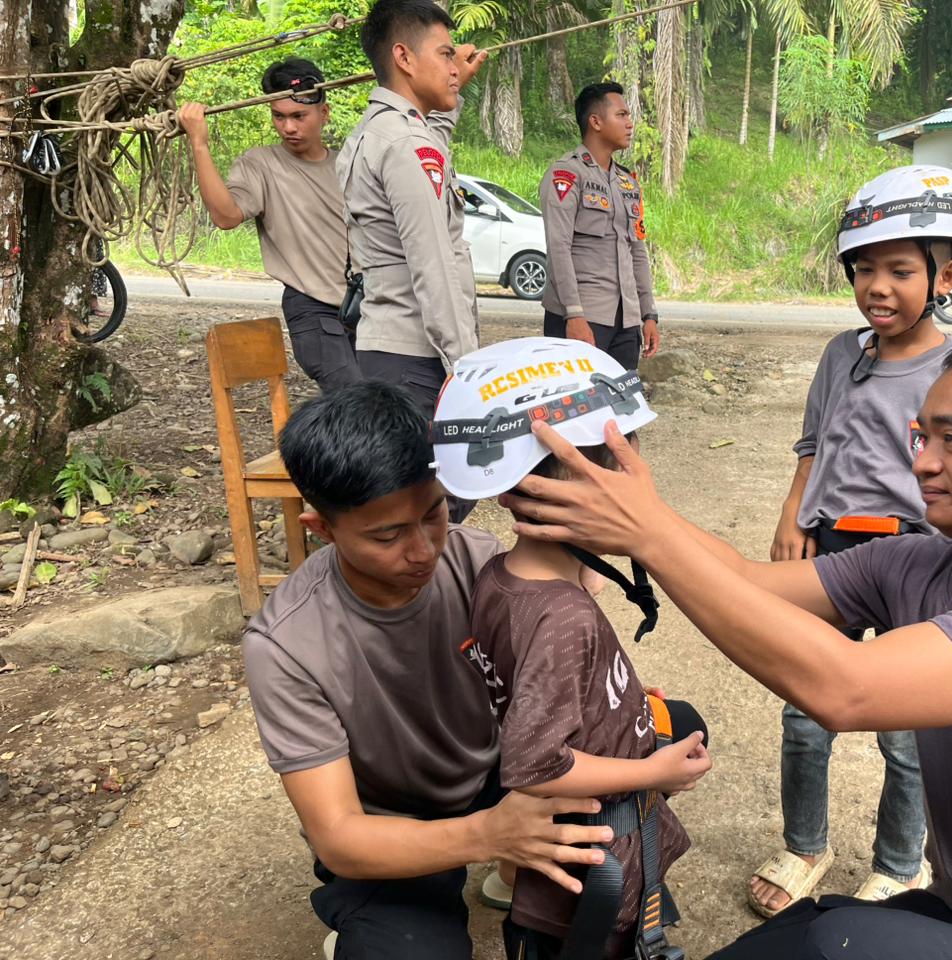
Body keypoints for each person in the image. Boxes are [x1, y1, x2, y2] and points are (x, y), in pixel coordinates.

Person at [497, 328, 952, 959]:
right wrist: (641, 512)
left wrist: (647, 533)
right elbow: (742, 581)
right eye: (920, 438)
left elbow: (845, 689)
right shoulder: (914, 565)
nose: (923, 463)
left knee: (833, 944)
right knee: (798, 932)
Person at [241, 380, 615, 960]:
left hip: (498, 773)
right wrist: (487, 834)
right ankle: (386, 914)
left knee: (654, 733)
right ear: (322, 529)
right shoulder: (285, 644)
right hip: (391, 820)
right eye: (387, 535)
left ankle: (513, 874)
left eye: (434, 513)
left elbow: (553, 672)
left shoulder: (478, 559)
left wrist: (610, 703)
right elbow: (339, 835)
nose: (423, 551)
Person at [432, 337, 711, 959]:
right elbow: (538, 764)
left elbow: (533, 683)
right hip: (592, 861)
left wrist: (619, 695)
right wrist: (653, 772)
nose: (636, 475)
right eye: (619, 457)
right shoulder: (563, 616)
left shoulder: (503, 576)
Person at [752, 165, 952, 918]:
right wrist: (794, 516)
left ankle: (899, 864)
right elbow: (813, 444)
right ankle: (806, 843)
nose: (878, 287)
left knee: (907, 735)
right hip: (837, 555)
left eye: (900, 270)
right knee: (803, 709)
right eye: (865, 270)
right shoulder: (839, 357)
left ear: (944, 274)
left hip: (917, 557)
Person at [337, 0, 486, 415]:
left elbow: (427, 136)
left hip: (387, 352)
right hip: (417, 362)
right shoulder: (407, 144)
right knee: (432, 481)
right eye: (444, 54)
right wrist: (468, 372)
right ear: (403, 57)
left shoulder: (377, 130)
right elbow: (433, 265)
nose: (455, 67)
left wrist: (454, 88)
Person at [179, 59, 360, 391]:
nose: (288, 127)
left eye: (298, 116)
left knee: (389, 401)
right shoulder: (261, 164)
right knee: (359, 400)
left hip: (364, 305)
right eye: (279, 116)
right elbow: (226, 216)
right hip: (312, 306)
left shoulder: (347, 164)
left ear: (324, 113)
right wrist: (199, 145)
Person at [540, 82, 661, 370]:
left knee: (620, 411)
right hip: (584, 318)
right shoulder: (567, 174)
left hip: (625, 321)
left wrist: (648, 314)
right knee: (576, 410)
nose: (630, 124)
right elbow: (558, 248)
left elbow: (637, 250)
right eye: (622, 115)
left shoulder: (627, 182)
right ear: (595, 121)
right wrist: (574, 315)